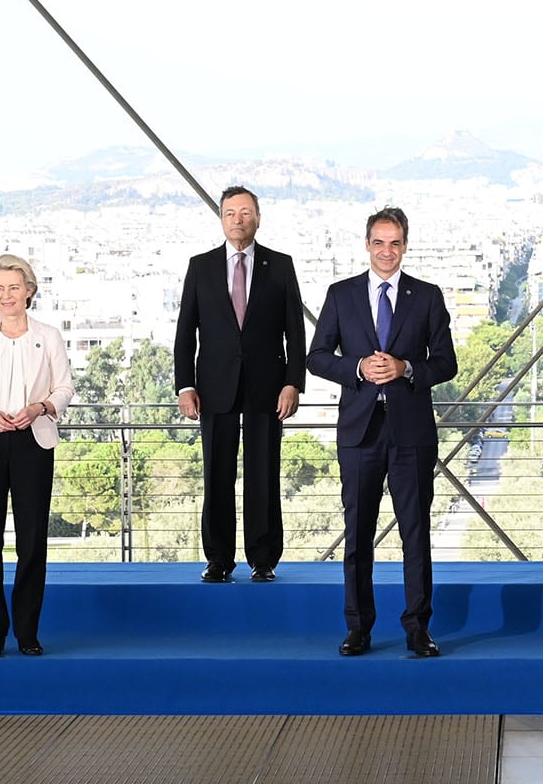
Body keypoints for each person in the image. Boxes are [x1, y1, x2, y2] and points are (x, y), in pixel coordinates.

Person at [306, 208, 458, 659]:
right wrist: (355, 368)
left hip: (411, 432)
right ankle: (358, 628)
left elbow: (446, 362)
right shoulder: (340, 294)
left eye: (394, 243)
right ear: (367, 244)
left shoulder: (427, 296)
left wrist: (407, 367)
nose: (386, 251)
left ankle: (417, 628)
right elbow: (317, 357)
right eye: (379, 242)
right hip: (359, 431)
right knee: (357, 536)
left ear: (405, 246)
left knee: (416, 532)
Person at [174, 185, 307, 583]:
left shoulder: (280, 265)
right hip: (214, 387)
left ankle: (263, 558)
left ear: (258, 218)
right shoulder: (200, 266)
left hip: (268, 387)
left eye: (245, 212)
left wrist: (293, 383)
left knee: (263, 471)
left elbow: (295, 333)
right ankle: (218, 558)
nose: (238, 219)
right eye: (230, 213)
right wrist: (185, 385)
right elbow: (185, 332)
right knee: (217, 473)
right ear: (220, 218)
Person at [0, 254, 75, 657]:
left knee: (32, 539)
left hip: (32, 441)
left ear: (29, 291)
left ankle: (27, 631)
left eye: (14, 288)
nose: (7, 296)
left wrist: (39, 407)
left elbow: (64, 389)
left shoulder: (49, 335)